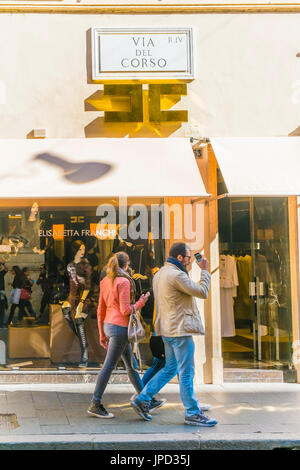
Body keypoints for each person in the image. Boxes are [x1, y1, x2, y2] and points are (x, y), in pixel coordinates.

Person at [131, 242, 218, 427]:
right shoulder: (177, 275)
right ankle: (193, 413)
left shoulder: (160, 273)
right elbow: (203, 291)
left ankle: (143, 398)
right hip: (180, 330)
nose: (190, 259)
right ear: (180, 257)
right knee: (186, 372)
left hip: (166, 330)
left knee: (170, 369)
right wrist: (204, 270)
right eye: (188, 256)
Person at [87, 251, 164, 419]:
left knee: (131, 365)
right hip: (120, 329)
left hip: (109, 326)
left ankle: (146, 399)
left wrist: (101, 333)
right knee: (109, 366)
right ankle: (95, 402)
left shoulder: (105, 281)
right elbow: (126, 310)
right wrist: (141, 302)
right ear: (126, 265)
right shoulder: (123, 282)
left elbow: (100, 310)